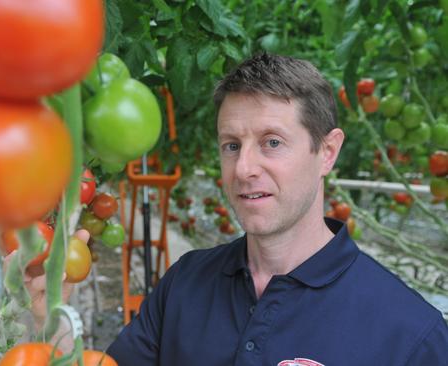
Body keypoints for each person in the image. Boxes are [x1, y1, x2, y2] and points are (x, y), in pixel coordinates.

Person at [26, 53, 448, 365]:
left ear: (327, 152)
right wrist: (53, 320)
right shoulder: (185, 283)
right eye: (232, 145)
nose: (244, 169)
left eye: (272, 143)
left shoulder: (411, 334)